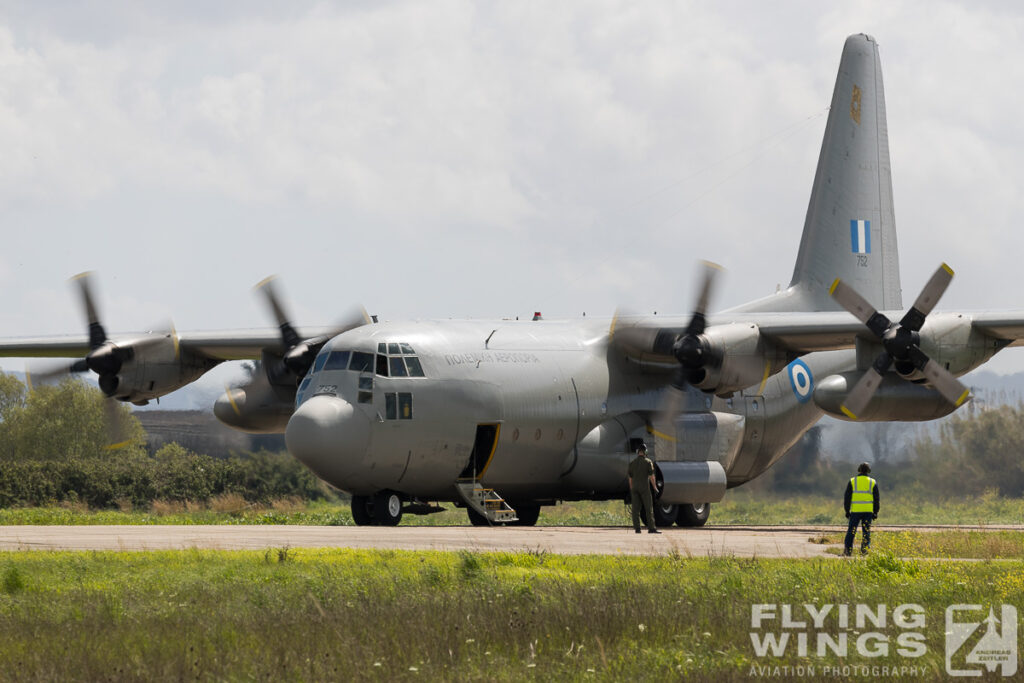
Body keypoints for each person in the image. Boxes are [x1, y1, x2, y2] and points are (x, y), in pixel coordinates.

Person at [843, 462, 880, 556]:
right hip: (868, 511)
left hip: (855, 511)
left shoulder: (852, 481)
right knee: (866, 532)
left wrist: (847, 511)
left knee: (851, 531)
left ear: (859, 470)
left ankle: (848, 551)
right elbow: (876, 499)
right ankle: (864, 552)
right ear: (869, 471)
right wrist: (875, 512)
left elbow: (847, 497)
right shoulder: (872, 482)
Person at [628, 443, 660, 534]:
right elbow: (651, 476)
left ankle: (637, 529)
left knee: (635, 509)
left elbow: (630, 478)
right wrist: (654, 487)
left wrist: (631, 488)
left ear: (638, 452)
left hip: (634, 488)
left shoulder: (632, 463)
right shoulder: (648, 462)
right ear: (645, 452)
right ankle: (651, 528)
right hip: (644, 488)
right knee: (648, 508)